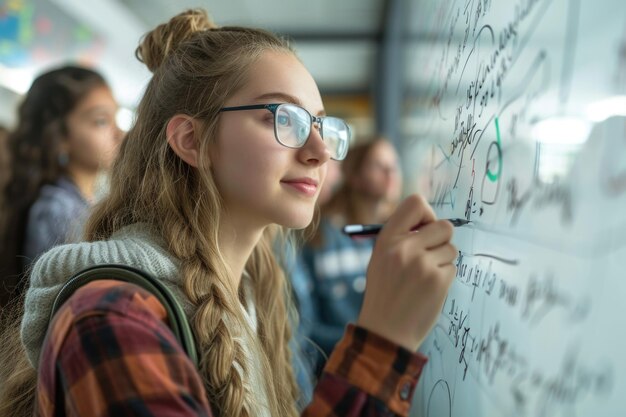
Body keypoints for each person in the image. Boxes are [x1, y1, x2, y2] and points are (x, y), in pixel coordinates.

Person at [0, 9, 457, 417]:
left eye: (321, 125)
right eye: (285, 118)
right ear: (192, 141)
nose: (321, 151)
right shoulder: (111, 320)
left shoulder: (247, 298)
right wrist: (381, 348)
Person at [0, 65, 122, 307]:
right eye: (101, 121)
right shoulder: (56, 211)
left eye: (115, 118)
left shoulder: (82, 201)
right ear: (60, 137)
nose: (119, 133)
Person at [300, 138, 403, 361]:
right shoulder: (318, 234)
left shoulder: (400, 236)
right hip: (331, 365)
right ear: (354, 176)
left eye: (394, 164)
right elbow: (306, 326)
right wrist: (367, 342)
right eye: (378, 165)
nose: (391, 172)